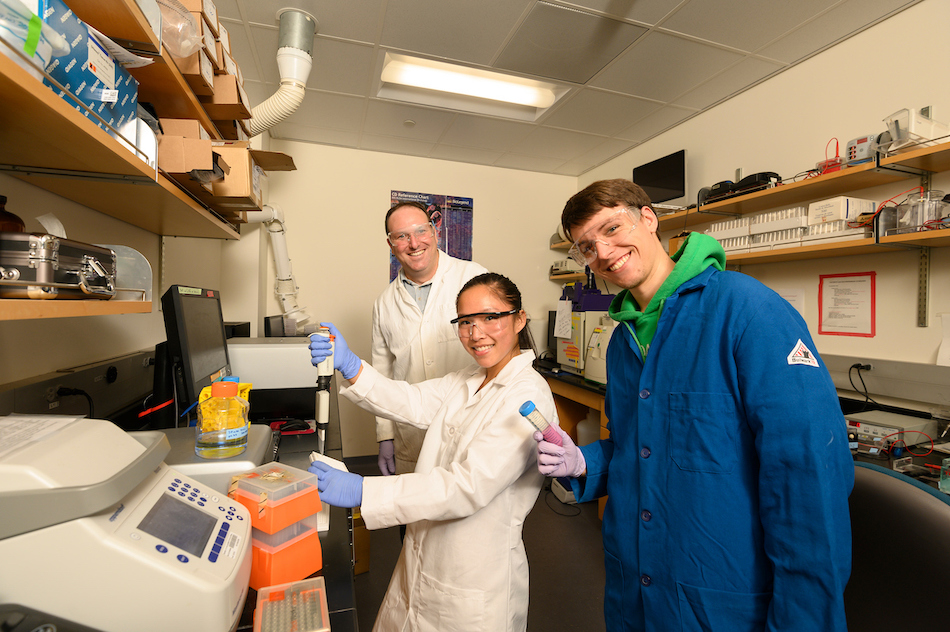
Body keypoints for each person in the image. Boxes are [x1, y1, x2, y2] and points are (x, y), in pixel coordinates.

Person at [535, 179, 853, 631]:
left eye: (612, 228)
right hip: (637, 590)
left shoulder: (747, 310)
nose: (603, 252)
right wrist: (584, 461)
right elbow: (644, 449)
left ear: (649, 218)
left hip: (722, 593)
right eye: (587, 247)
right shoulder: (623, 339)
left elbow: (808, 482)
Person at [308, 273, 556, 632]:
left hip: (474, 574)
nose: (476, 333)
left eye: (491, 317)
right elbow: (411, 400)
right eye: (466, 322)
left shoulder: (528, 396)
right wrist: (352, 366)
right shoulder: (468, 379)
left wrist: (365, 491)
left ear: (519, 319)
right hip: (423, 557)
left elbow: (465, 487)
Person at [373, 200, 487, 478]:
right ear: (391, 245)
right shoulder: (384, 303)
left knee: (468, 506)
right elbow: (382, 375)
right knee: (414, 514)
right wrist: (385, 435)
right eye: (401, 236)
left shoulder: (473, 277)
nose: (414, 243)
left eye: (420, 231)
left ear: (435, 231)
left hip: (471, 423)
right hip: (412, 433)